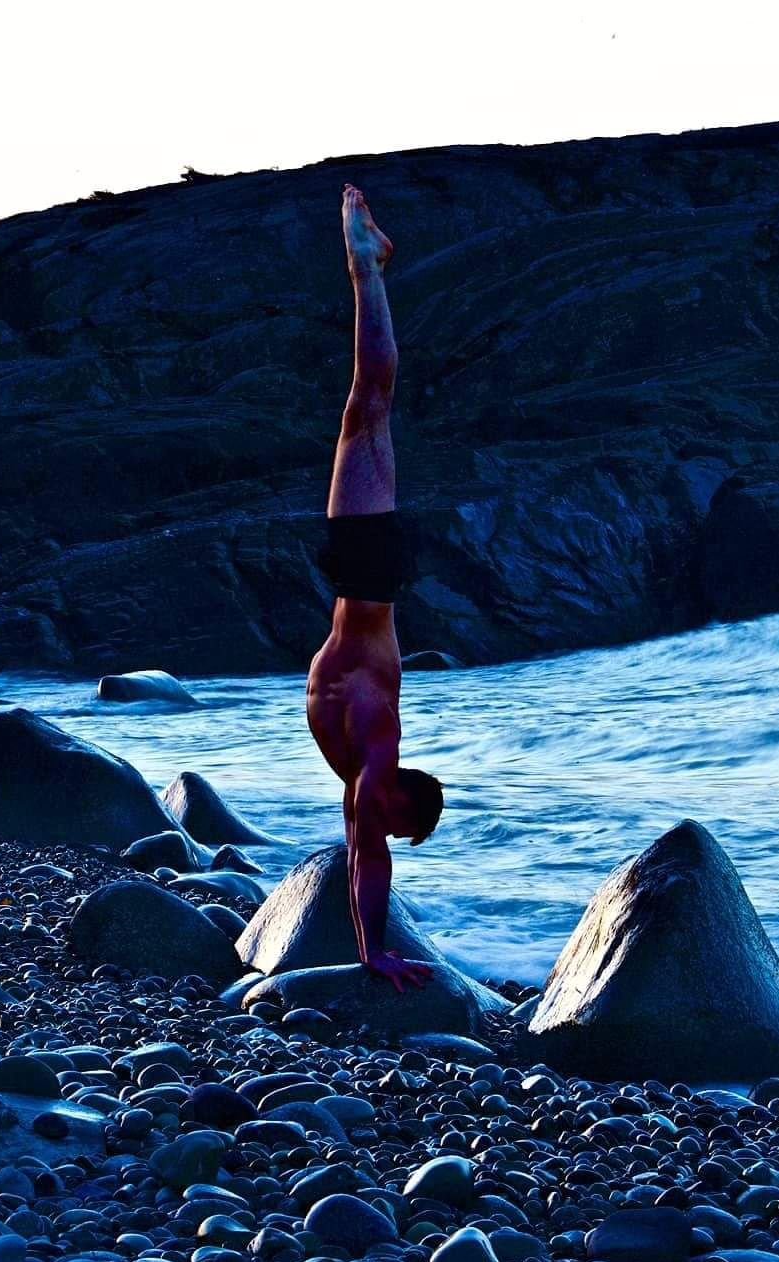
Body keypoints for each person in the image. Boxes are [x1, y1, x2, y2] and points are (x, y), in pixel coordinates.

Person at [305, 184, 445, 994]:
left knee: (371, 411)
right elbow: (367, 856)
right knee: (369, 405)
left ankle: (371, 268)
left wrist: (368, 945)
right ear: (401, 802)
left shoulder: (367, 774)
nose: (381, 830)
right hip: (368, 571)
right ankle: (368, 269)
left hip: (367, 575)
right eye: (397, 825)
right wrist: (373, 949)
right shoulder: (379, 748)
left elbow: (366, 852)